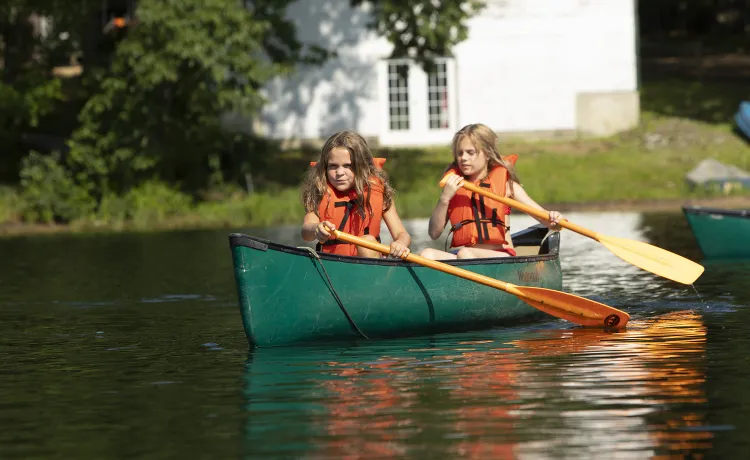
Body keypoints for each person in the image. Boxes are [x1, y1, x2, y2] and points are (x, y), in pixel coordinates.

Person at [420, 123, 562, 260]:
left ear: (487, 154)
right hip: (465, 255)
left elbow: (547, 221)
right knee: (426, 254)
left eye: (471, 153)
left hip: (501, 256)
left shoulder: (507, 186)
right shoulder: (454, 186)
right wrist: (444, 199)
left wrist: (555, 219)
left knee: (465, 254)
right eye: (460, 153)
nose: (463, 158)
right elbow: (434, 233)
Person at [301, 131, 411, 259]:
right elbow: (306, 231)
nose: (340, 172)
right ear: (325, 167)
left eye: (348, 166)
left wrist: (400, 243)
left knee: (367, 241)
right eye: (333, 166)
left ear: (362, 166)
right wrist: (316, 228)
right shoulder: (319, 192)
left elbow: (402, 234)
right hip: (332, 266)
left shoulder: (377, 191)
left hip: (369, 265)